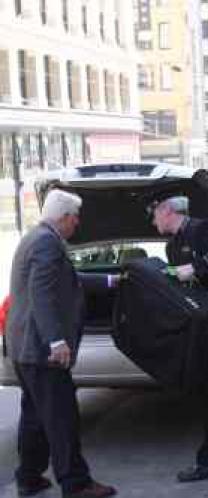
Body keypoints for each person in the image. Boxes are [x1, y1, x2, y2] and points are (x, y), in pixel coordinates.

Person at [6, 190, 116, 498]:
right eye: (75, 217)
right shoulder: (47, 243)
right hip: (42, 349)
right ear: (64, 217)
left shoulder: (35, 238)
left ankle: (28, 477)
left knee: (35, 416)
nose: (78, 223)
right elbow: (43, 296)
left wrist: (111, 281)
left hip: (24, 348)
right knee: (62, 417)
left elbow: (66, 278)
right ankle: (76, 483)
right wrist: (56, 341)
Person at [150, 195, 208, 482]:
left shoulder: (200, 229)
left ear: (168, 211)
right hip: (202, 321)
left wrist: (195, 268)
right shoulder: (173, 244)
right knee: (207, 389)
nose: (153, 220)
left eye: (154, 214)